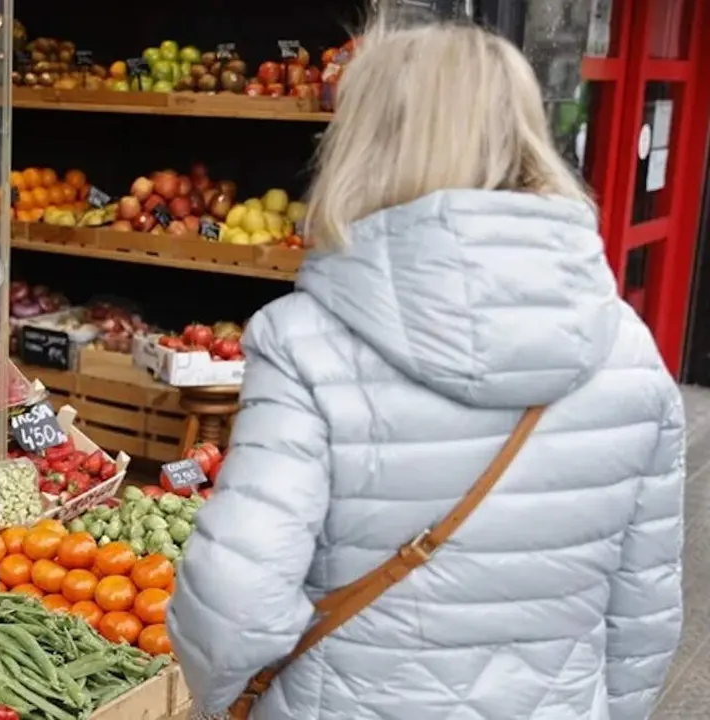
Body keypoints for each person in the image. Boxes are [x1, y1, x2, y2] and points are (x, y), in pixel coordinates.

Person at [166, 18, 685, 720]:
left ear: (365, 140)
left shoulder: (305, 341)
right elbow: (644, 613)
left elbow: (235, 600)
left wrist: (223, 704)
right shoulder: (630, 349)